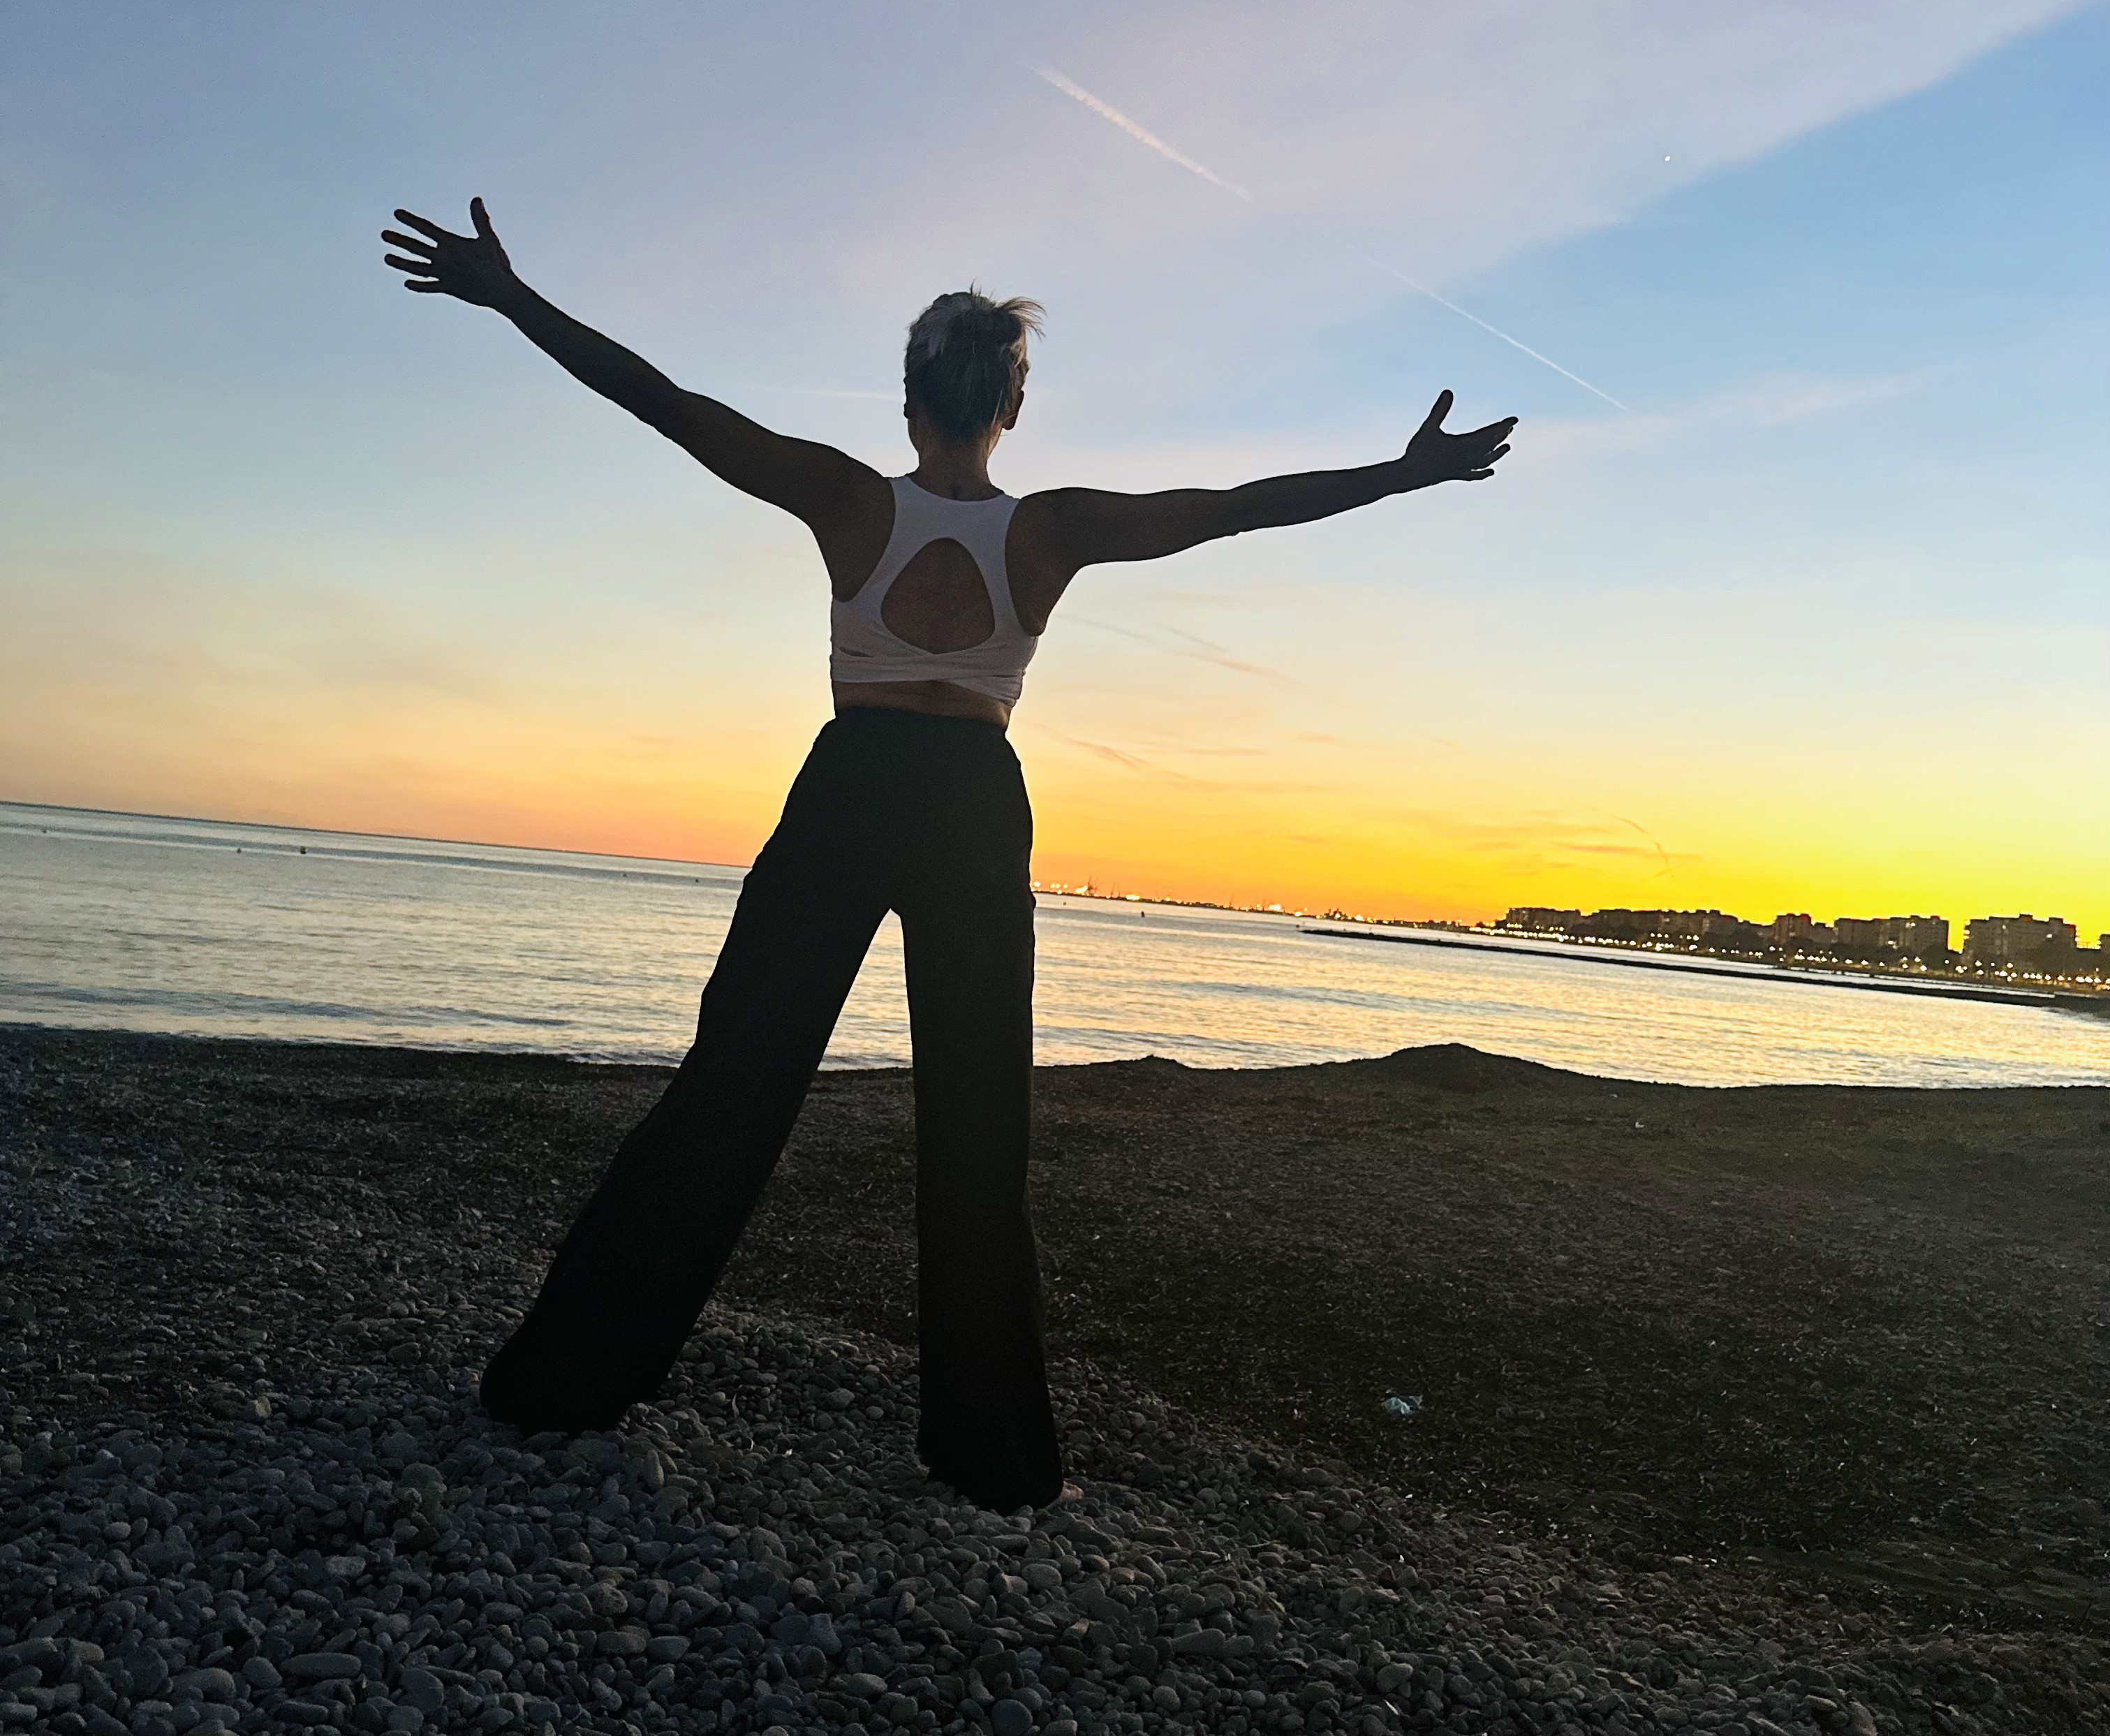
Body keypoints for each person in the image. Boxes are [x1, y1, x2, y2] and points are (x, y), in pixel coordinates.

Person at [381, 196, 1516, 1510]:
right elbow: (1235, 508)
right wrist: (1400, 473)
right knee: (978, 1122)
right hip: (974, 798)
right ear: (1009, 410)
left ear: (908, 396)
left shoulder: (845, 498)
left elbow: (665, 401)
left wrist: (512, 297)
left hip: (852, 785)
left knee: (734, 1083)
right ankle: (990, 1458)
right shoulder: (1054, 528)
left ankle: (564, 1386)